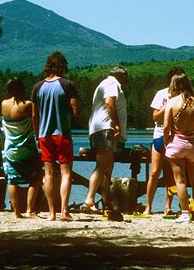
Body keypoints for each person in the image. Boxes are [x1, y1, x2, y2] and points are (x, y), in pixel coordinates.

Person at [31, 52, 81, 221]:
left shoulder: (37, 88)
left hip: (44, 135)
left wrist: (37, 135)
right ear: (63, 66)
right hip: (62, 133)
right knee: (66, 173)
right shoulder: (67, 85)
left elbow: (34, 116)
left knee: (49, 174)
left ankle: (51, 213)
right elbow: (76, 111)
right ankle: (64, 211)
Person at [163, 73, 194, 224]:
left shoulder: (172, 102)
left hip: (176, 144)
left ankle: (184, 214)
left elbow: (166, 127)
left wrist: (166, 142)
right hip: (193, 145)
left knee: (180, 181)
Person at [82, 66, 129, 213]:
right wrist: (116, 124)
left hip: (99, 128)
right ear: (123, 77)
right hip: (105, 128)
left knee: (107, 168)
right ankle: (89, 200)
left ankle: (106, 202)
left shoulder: (105, 83)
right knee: (102, 165)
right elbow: (109, 102)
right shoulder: (112, 83)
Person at [143, 67, 185, 216]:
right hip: (160, 134)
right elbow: (154, 116)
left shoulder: (185, 97)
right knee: (154, 172)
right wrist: (167, 107)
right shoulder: (162, 93)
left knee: (172, 174)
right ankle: (148, 206)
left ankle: (168, 207)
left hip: (177, 136)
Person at [0, 77, 43, 218]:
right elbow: (36, 120)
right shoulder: (28, 105)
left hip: (10, 149)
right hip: (27, 148)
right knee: (35, 178)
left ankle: (16, 212)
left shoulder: (3, 104)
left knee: (12, 180)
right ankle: (30, 210)